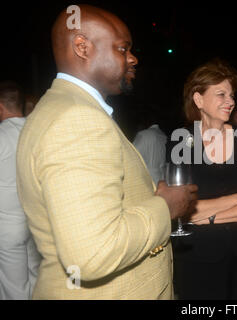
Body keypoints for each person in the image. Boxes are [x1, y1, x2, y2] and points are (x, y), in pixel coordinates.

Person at [16, 5, 197, 299]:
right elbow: (94, 252)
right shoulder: (76, 120)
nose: (133, 58)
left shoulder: (60, 110)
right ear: (82, 47)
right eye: (123, 49)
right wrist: (165, 207)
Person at [168, 58, 237, 299]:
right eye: (221, 94)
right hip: (197, 254)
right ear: (198, 99)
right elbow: (180, 209)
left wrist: (208, 217)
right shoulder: (181, 140)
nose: (231, 102)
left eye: (232, 95)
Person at [0, 81, 41, 299]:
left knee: (13, 287)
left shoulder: (2, 135)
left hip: (7, 227)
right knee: (36, 278)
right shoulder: (35, 130)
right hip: (34, 222)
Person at [133, 115, 168, 185]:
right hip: (162, 180)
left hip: (147, 181)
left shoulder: (144, 134)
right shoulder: (163, 136)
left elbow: (132, 156)